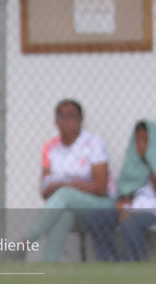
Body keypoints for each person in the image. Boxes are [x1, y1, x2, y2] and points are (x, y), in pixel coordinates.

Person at [21, 99, 115, 262]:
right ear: (55, 121)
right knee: (64, 214)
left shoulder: (93, 143)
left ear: (80, 120)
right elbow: (45, 192)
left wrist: (64, 186)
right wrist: (58, 188)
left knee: (65, 194)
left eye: (71, 116)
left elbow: (101, 188)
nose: (66, 121)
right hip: (70, 206)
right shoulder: (50, 147)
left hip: (101, 204)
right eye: (61, 116)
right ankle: (48, 267)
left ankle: (27, 242)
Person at [83, 120, 156, 261]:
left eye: (144, 140)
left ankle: (137, 264)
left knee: (130, 225)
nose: (140, 145)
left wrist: (151, 158)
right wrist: (122, 206)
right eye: (137, 140)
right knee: (95, 219)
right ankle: (111, 262)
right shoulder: (134, 163)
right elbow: (127, 193)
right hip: (134, 208)